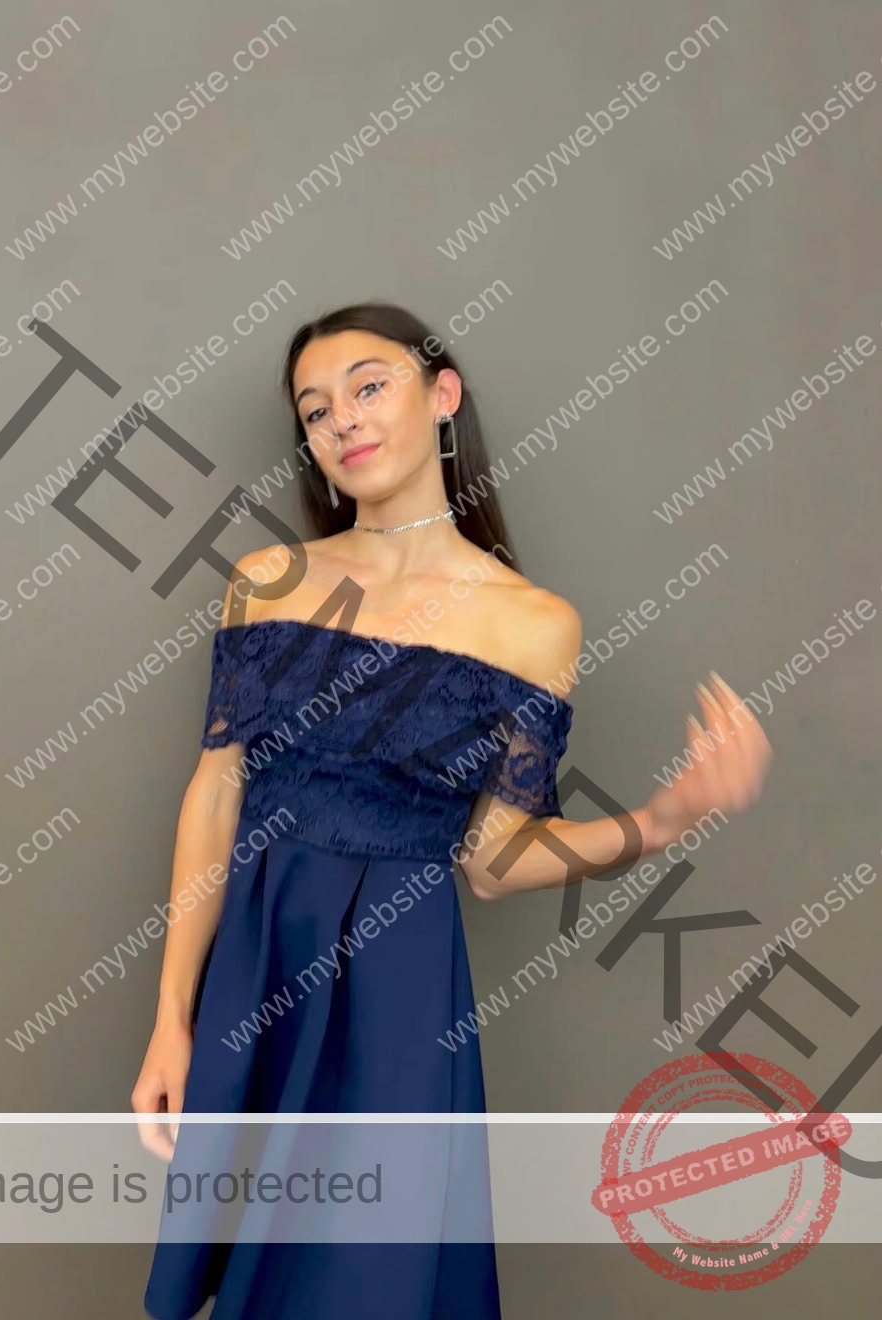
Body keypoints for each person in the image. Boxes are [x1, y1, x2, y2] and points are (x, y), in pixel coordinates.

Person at [135, 302, 772, 1319]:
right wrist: (172, 1020)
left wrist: (665, 819)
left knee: (363, 1281)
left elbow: (493, 859)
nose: (342, 420)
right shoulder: (270, 582)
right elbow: (215, 793)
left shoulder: (532, 624)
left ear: (442, 397)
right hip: (256, 963)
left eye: (368, 386)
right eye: (315, 410)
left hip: (399, 983)